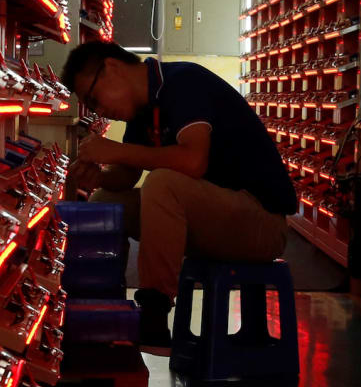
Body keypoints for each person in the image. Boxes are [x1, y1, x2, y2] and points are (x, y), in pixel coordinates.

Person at [61, 40, 297, 351]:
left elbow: (192, 161)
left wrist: (115, 150)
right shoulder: (142, 111)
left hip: (261, 223)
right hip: (214, 219)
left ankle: (154, 315)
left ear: (112, 69)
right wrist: (99, 176)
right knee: (107, 201)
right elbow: (126, 176)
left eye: (94, 100)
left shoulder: (184, 83)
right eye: (92, 108)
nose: (100, 111)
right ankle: (104, 304)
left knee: (162, 184)